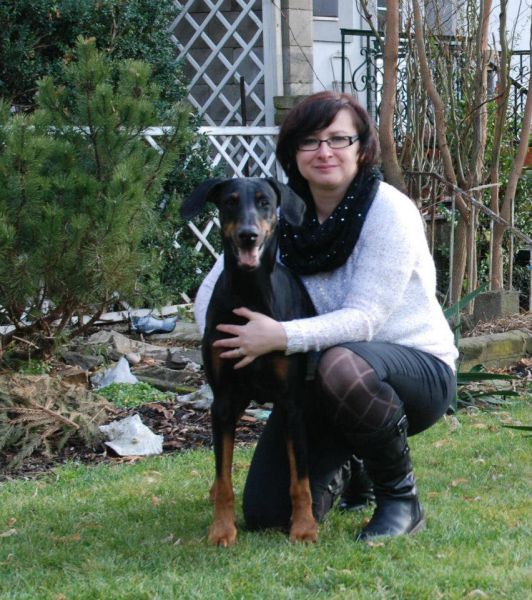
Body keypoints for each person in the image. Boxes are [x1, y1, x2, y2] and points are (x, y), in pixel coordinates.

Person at [193, 91, 458, 541]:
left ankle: (400, 500)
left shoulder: (389, 211)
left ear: (361, 148)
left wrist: (279, 336)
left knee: (342, 363)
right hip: (320, 386)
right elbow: (211, 292)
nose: (324, 151)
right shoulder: (277, 209)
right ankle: (351, 464)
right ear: (292, 152)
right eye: (310, 141)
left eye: (338, 139)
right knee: (267, 513)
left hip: (411, 370)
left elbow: (364, 320)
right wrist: (226, 345)